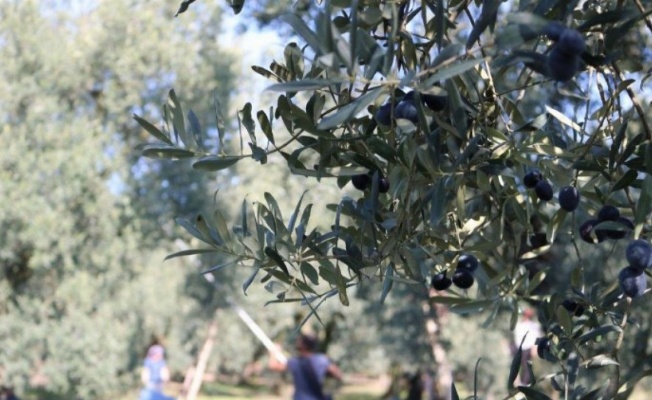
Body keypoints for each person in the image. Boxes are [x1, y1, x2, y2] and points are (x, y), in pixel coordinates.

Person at [268, 333, 343, 400]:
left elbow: (273, 366)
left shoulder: (295, 362)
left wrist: (273, 352)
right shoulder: (322, 360)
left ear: (303, 346)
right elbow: (338, 375)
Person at [512, 307, 542, 385]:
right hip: (519, 348)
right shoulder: (519, 324)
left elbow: (537, 337)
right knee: (516, 366)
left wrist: (535, 348)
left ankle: (524, 385)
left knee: (528, 367)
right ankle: (516, 382)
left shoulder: (534, 325)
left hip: (527, 348)